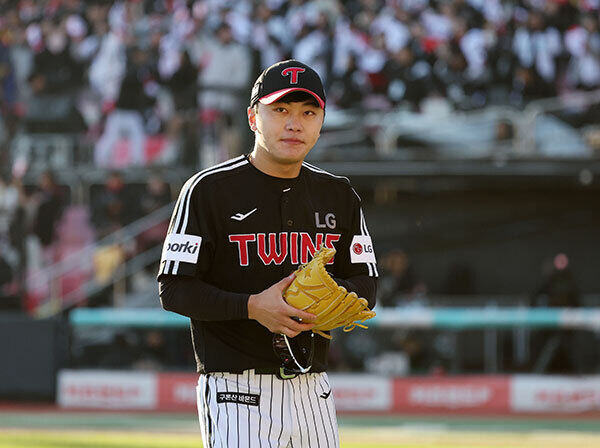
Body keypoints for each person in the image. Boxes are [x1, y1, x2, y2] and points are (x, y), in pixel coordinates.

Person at [157, 59, 378, 447]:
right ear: (253, 117)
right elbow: (174, 289)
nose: (294, 123)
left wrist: (321, 304)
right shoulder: (207, 190)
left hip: (314, 389)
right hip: (235, 389)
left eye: (308, 112)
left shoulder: (339, 195)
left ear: (321, 122)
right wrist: (252, 306)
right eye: (280, 110)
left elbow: (366, 285)